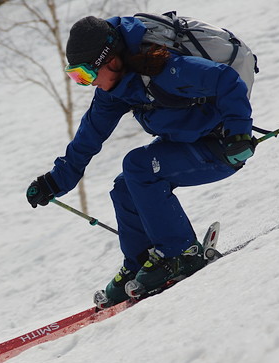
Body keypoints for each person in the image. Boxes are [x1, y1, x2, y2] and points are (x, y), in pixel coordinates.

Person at [26, 15, 256, 307]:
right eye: (77, 78)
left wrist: (239, 134)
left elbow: (225, 79)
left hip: (222, 147)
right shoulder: (116, 89)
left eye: (86, 74)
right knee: (125, 186)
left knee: (138, 166)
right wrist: (55, 181)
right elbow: (89, 136)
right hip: (188, 143)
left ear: (111, 61)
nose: (88, 83)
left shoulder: (167, 69)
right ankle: (141, 262)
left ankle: (181, 254)